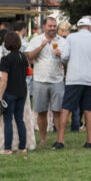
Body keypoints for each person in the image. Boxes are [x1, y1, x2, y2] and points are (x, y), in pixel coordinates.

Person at [58, 16, 91, 149]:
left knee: (66, 108)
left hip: (74, 78)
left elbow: (64, 56)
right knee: (89, 110)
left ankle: (60, 140)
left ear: (78, 27)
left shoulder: (71, 38)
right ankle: (89, 141)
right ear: (90, 27)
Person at [26, 16, 65, 146]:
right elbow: (29, 57)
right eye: (50, 26)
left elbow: (68, 60)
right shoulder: (36, 40)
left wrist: (62, 55)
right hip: (39, 80)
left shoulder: (62, 41)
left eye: (54, 26)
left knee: (58, 112)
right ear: (44, 27)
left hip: (57, 80)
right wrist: (41, 47)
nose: (53, 28)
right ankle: (43, 139)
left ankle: (60, 139)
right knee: (41, 112)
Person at [0, 31, 28, 154]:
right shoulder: (23, 57)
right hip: (22, 91)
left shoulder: (5, 59)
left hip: (10, 92)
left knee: (8, 120)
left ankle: (8, 148)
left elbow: (4, 79)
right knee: (20, 119)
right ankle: (22, 147)